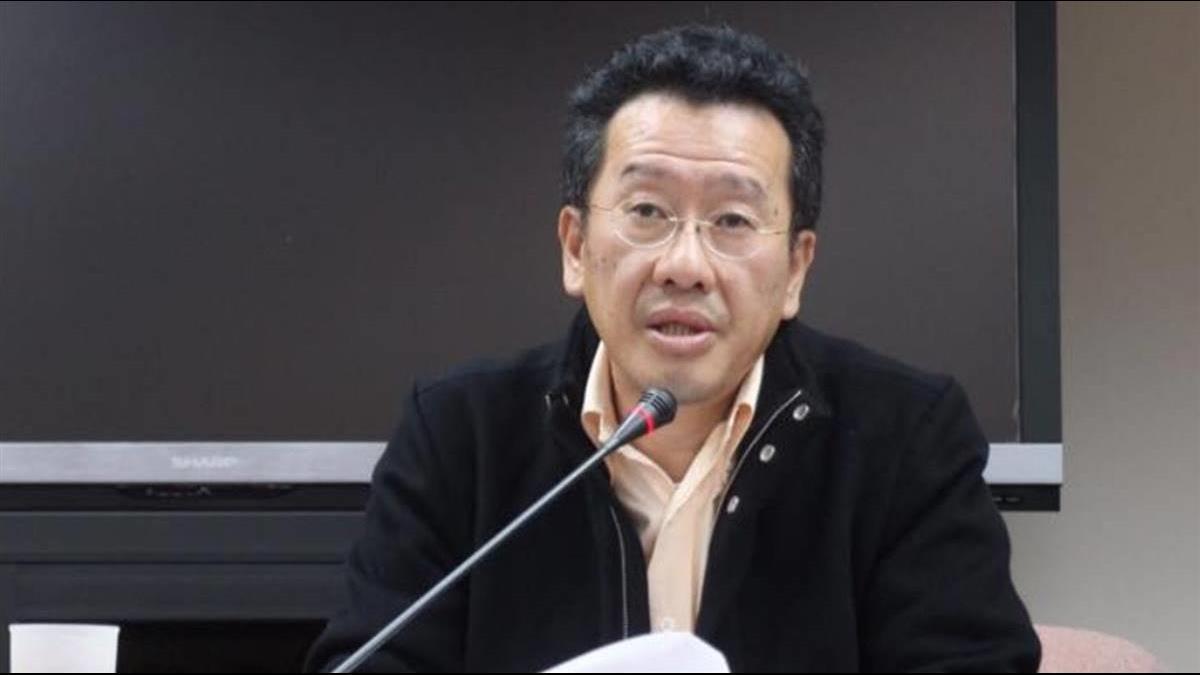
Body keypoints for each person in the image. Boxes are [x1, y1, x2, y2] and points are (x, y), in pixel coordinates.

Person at [306, 24, 1040, 672]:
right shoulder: (459, 437)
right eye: (648, 210)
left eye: (732, 220)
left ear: (795, 269)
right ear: (574, 247)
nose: (685, 265)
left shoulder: (906, 440)